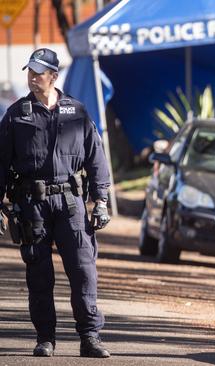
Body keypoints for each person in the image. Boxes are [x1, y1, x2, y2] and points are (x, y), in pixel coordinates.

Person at [0, 48, 112, 358]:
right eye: (30, 72)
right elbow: (1, 161)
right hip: (31, 205)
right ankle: (45, 338)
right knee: (39, 275)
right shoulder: (17, 114)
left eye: (39, 72)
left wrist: (100, 199)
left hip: (70, 204)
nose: (33, 77)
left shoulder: (76, 111)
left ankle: (90, 337)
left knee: (83, 270)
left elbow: (96, 158)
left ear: (54, 76)